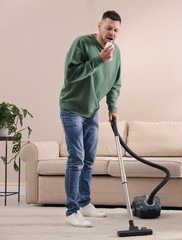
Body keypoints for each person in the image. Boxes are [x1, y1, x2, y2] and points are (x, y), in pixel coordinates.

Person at [59, 10, 122, 228]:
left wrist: (112, 107)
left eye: (115, 29)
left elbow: (115, 83)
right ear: (99, 26)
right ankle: (72, 210)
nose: (111, 32)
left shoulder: (117, 53)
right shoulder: (82, 44)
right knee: (76, 158)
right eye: (108, 28)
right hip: (72, 108)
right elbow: (71, 75)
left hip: (91, 111)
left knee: (88, 160)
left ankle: (85, 203)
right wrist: (98, 60)